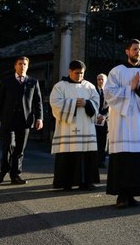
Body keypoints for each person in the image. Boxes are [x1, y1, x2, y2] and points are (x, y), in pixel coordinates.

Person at [104, 39, 140, 209]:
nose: (138, 52)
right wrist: (130, 87)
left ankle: (133, 194)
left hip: (139, 123)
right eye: (135, 49)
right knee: (123, 158)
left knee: (136, 158)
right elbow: (109, 93)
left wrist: (138, 89)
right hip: (121, 122)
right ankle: (122, 195)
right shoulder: (116, 71)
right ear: (127, 51)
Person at [0, 56, 44, 185]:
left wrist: (39, 118)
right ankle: (4, 170)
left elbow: (38, 102)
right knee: (8, 146)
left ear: (28, 66)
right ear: (15, 66)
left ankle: (15, 175)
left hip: (25, 120)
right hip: (8, 119)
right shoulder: (6, 81)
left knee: (20, 149)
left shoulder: (33, 82)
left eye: (25, 64)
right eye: (20, 64)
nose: (22, 66)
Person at [50, 60, 100, 191]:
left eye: (82, 73)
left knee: (86, 154)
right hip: (67, 128)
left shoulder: (89, 86)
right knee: (68, 154)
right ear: (70, 71)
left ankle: (86, 182)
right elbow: (55, 103)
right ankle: (66, 183)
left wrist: (87, 103)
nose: (79, 76)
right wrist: (73, 103)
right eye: (77, 73)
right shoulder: (60, 86)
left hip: (86, 126)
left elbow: (96, 102)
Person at [94, 73, 109, 168]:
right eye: (99, 79)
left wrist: (104, 116)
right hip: (94, 120)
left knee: (103, 142)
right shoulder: (93, 91)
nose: (100, 81)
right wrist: (97, 115)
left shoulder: (108, 92)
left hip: (104, 121)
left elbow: (110, 106)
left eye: (102, 79)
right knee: (94, 141)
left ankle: (102, 161)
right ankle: (94, 161)